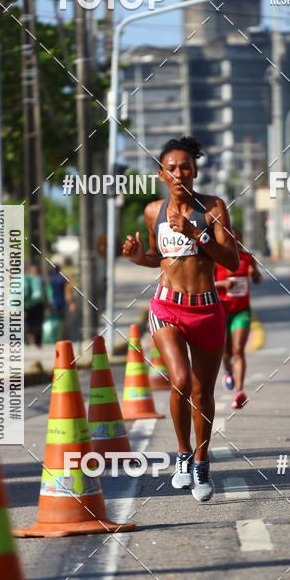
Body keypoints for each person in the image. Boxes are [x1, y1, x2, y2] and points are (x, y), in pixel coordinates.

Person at [122, 135, 239, 502]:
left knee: (203, 392)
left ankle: (202, 462)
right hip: (167, 306)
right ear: (161, 173)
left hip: (206, 309)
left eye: (184, 167)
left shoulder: (214, 208)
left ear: (195, 171)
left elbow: (231, 260)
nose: (178, 173)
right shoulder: (153, 211)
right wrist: (139, 256)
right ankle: (183, 455)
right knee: (181, 380)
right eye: (171, 168)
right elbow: (160, 258)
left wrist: (196, 232)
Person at [214, 228, 262, 409]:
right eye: (231, 239)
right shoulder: (216, 260)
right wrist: (223, 284)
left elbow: (256, 277)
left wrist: (255, 276)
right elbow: (206, 284)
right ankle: (227, 370)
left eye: (237, 238)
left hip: (242, 311)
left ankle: (239, 391)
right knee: (225, 353)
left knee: (238, 350)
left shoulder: (247, 258)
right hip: (222, 311)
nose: (235, 242)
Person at [48, 263, 76, 338]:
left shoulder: (50, 278)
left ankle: (54, 335)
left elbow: (48, 291)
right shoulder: (62, 278)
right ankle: (63, 335)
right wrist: (71, 302)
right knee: (62, 319)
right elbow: (69, 290)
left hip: (53, 301)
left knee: (53, 319)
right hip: (62, 301)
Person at [24, 263, 46, 347]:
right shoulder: (40, 279)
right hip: (36, 305)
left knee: (31, 322)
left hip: (30, 305)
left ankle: (30, 336)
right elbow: (44, 293)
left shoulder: (27, 279)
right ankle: (36, 341)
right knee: (36, 322)